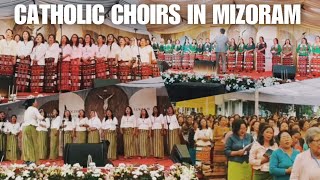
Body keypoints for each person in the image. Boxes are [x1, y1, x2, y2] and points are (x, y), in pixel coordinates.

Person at [22, 99, 44, 163]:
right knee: (34, 144)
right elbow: (40, 117)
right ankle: (34, 160)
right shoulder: (34, 109)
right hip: (31, 127)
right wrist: (42, 115)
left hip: (25, 127)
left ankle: (28, 159)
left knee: (28, 144)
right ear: (33, 103)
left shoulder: (26, 110)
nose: (37, 103)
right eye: (36, 101)